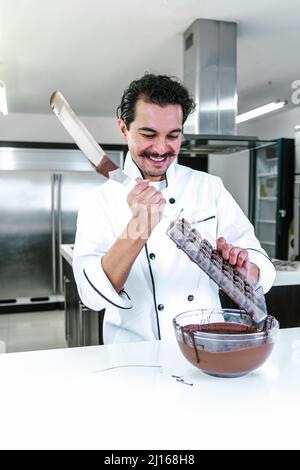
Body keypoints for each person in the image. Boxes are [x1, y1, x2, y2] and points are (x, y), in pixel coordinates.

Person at [73, 73, 276, 344]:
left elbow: (258, 258)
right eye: (148, 134)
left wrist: (246, 272)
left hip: (207, 344)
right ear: (124, 129)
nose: (161, 148)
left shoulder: (209, 187)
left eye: (173, 136)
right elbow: (92, 296)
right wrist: (139, 228)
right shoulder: (98, 201)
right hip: (134, 354)